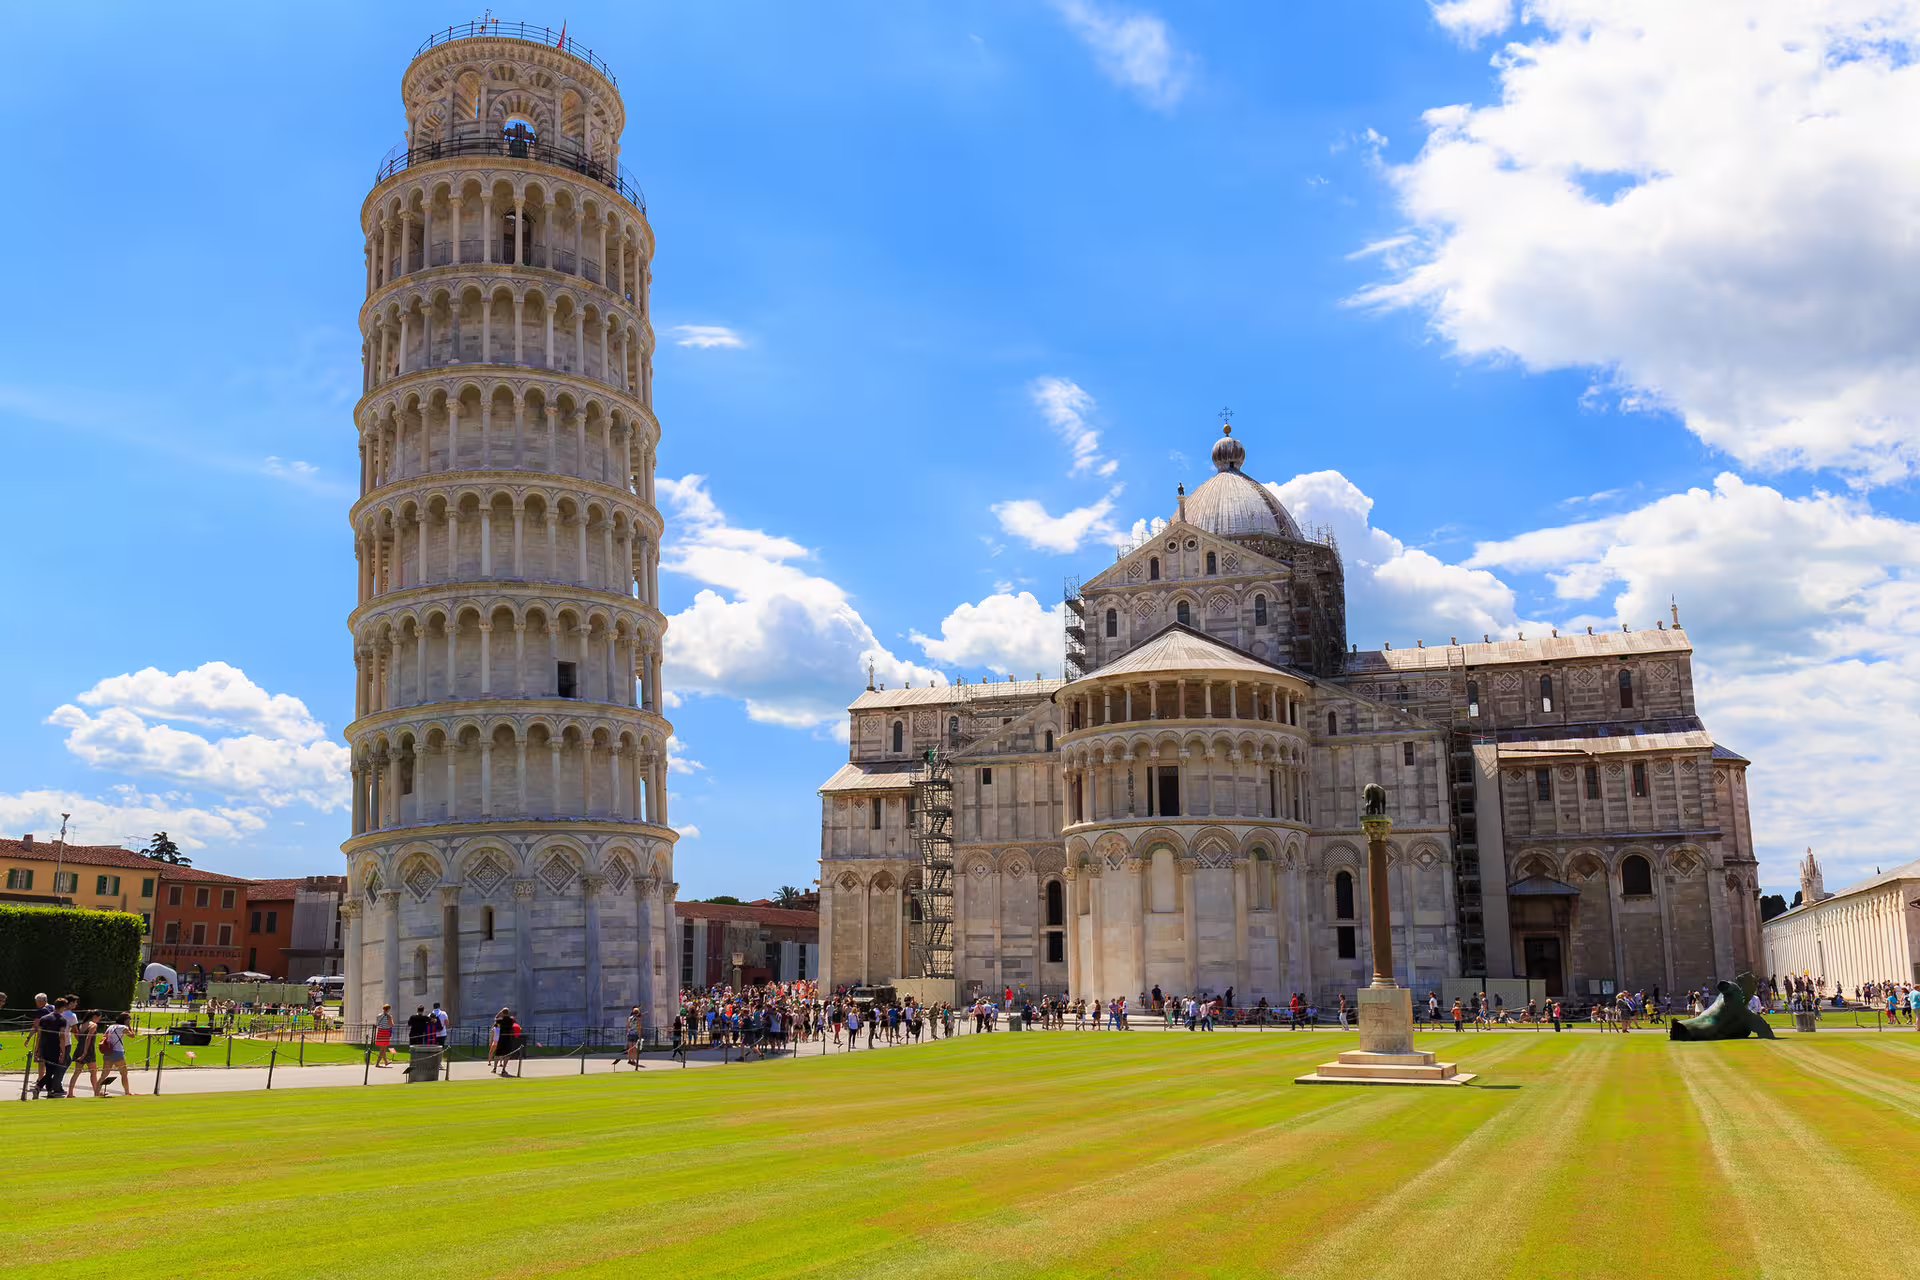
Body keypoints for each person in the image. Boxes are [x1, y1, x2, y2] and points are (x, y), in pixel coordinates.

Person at [33, 995, 69, 1099]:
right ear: (63, 1007)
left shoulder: (44, 1018)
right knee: (52, 1071)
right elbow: (62, 1036)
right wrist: (63, 1051)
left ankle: (49, 1091)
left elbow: (39, 1035)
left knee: (49, 1069)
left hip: (44, 1046)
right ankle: (39, 1086)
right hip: (54, 1047)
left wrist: (37, 1048)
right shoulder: (62, 1020)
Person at [68, 1010, 101, 1099]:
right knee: (93, 1072)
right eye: (99, 1018)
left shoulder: (82, 1025)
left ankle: (70, 1093)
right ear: (95, 1017)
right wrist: (85, 1052)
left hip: (79, 1048)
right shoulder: (93, 1025)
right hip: (88, 1050)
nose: (99, 1020)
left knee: (77, 1072)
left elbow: (79, 1036)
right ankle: (96, 1092)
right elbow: (88, 1039)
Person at [100, 1013, 134, 1097]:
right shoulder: (123, 1027)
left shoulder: (111, 1027)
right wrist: (129, 1025)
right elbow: (132, 1035)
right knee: (124, 1073)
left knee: (104, 1074)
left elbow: (104, 1037)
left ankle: (97, 1092)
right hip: (118, 1052)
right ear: (126, 1020)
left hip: (108, 1051)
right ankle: (127, 1092)